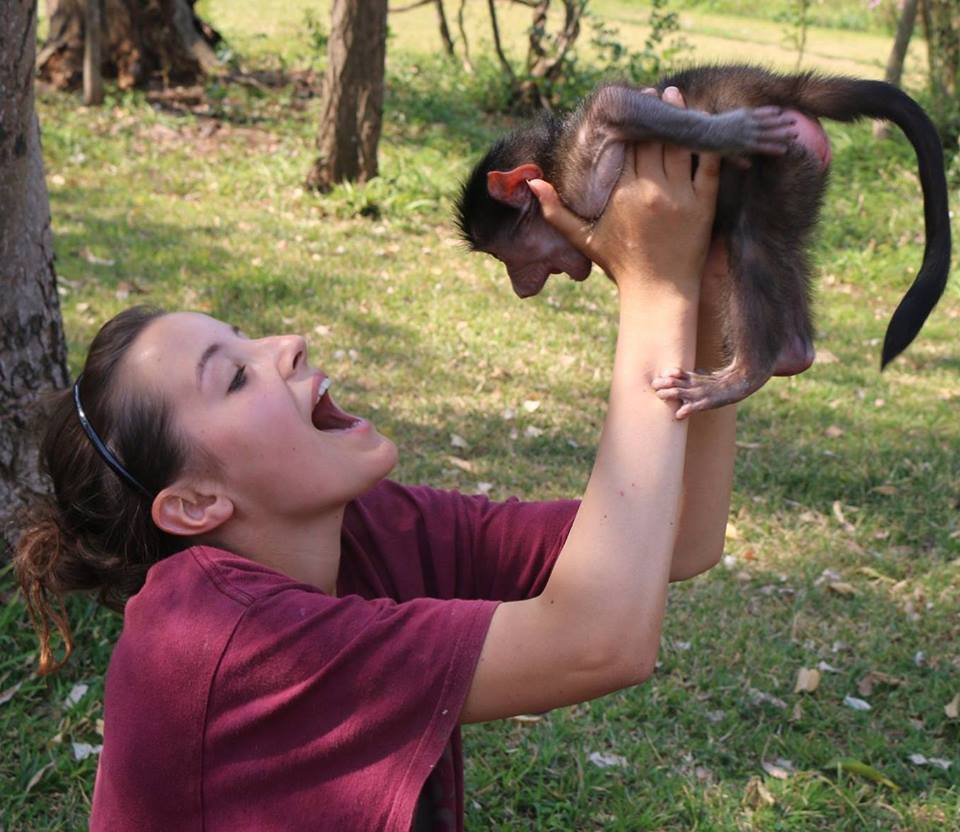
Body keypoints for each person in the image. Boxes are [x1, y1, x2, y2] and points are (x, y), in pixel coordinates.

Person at [15, 88, 737, 832]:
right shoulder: (220, 644)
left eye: (245, 336)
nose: (285, 344)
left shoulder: (362, 528)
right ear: (195, 504)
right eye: (232, 376)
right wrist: (656, 288)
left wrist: (705, 297)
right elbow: (598, 641)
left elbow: (678, 537)